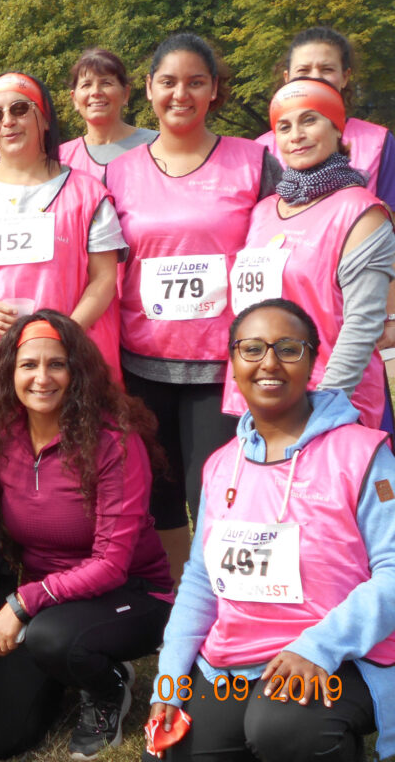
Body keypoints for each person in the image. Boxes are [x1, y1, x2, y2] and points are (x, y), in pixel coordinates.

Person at [145, 299, 395, 762]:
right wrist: (169, 679)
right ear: (233, 363)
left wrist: (318, 647)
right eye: (252, 348)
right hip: (238, 661)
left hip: (343, 654)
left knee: (280, 727)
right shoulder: (222, 465)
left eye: (288, 348)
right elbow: (201, 581)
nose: (270, 363)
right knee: (170, 751)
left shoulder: (363, 454)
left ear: (313, 361)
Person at [105, 33, 281, 583]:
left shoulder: (254, 161)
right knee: (159, 488)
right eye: (169, 82)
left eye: (195, 82)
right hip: (142, 359)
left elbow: (284, 247)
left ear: (214, 91)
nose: (181, 93)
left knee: (216, 487)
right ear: (150, 89)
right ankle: (183, 591)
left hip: (222, 363)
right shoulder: (117, 172)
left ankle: (224, 596)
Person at [0, 311, 173, 761]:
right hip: (47, 606)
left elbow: (111, 564)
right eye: (29, 365)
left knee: (52, 640)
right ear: (9, 373)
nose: (42, 377)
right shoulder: (3, 434)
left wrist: (22, 603)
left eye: (57, 364)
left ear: (78, 372)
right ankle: (72, 667)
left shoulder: (114, 442)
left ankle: (108, 687)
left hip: (131, 593)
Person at [0, 71, 125, 451]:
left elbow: (104, 280)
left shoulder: (87, 193)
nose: (8, 122)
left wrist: (63, 335)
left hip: (60, 371)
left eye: (20, 109)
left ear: (45, 117)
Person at [224, 79, 395, 428]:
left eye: (310, 120)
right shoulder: (264, 210)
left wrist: (324, 407)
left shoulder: (363, 212)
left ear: (337, 129)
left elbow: (362, 325)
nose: (296, 135)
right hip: (262, 394)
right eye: (284, 126)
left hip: (330, 403)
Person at [255, 26, 395, 208]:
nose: (315, 78)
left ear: (345, 77)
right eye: (303, 70)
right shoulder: (260, 150)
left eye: (327, 69)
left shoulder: (379, 141)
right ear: (287, 78)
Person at [59, 48, 158, 180]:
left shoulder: (156, 146)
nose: (95, 92)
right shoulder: (60, 158)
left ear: (125, 94)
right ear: (74, 99)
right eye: (86, 85)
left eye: (106, 83)